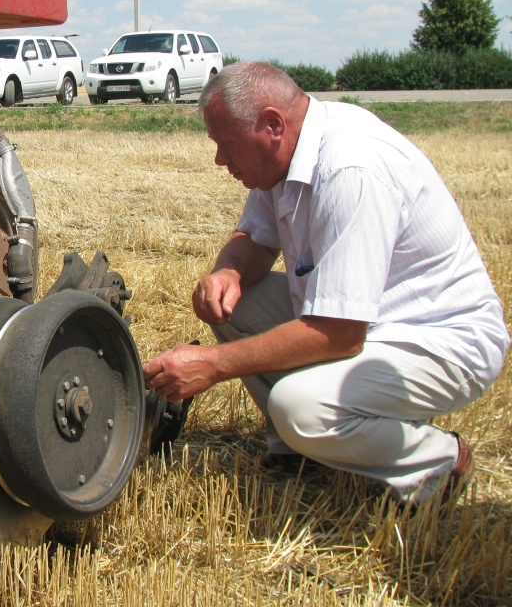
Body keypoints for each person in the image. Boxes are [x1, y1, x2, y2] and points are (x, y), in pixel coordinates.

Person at [142, 61, 509, 505]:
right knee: (234, 304)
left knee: (302, 407)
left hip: (438, 339)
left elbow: (340, 334)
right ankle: (299, 450)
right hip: (363, 322)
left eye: (227, 145)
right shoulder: (283, 158)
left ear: (272, 124)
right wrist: (228, 272)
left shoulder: (350, 168)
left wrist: (214, 364)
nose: (220, 160)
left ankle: (436, 463)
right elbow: (254, 239)